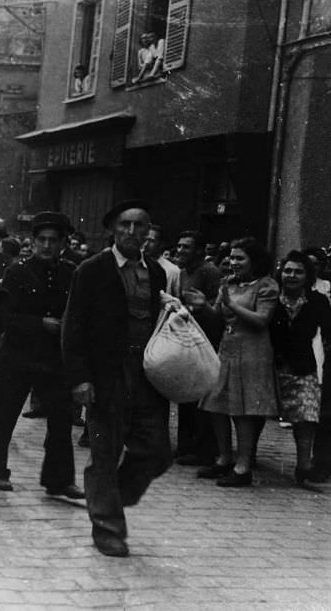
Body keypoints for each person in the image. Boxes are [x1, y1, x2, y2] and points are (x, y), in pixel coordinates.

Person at [62, 200, 173, 558]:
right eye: (125, 225)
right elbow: (73, 326)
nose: (132, 232)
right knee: (104, 454)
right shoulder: (92, 269)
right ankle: (108, 528)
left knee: (157, 450)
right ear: (113, 229)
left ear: (149, 232)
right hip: (106, 375)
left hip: (147, 374)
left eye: (140, 226)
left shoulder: (156, 272)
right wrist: (80, 378)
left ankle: (112, 496)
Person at [0, 212, 84, 499]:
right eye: (41, 240)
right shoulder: (17, 272)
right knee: (5, 416)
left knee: (60, 421)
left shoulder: (71, 272)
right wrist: (39, 323)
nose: (46, 246)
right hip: (18, 355)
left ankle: (59, 480)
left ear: (63, 243)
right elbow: (3, 314)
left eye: (53, 241)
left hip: (54, 360)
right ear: (33, 241)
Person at [190, 237, 279, 487]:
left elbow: (262, 320)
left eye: (240, 258)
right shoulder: (228, 283)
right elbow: (218, 316)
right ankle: (224, 459)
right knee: (216, 404)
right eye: (231, 257)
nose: (233, 262)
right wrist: (201, 306)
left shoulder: (266, 286)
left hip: (253, 353)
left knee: (242, 410)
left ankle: (243, 467)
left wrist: (231, 305)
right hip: (227, 349)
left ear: (255, 261)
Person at [270, 251, 331, 486]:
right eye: (288, 270)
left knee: (305, 416)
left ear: (307, 276)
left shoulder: (317, 301)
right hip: (272, 365)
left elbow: (328, 332)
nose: (292, 276)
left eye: (298, 271)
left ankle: (303, 465)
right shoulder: (271, 297)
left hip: (304, 367)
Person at [173, 230, 223, 466]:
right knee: (187, 394)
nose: (180, 250)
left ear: (200, 251)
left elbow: (217, 307)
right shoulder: (183, 272)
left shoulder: (210, 272)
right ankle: (185, 445)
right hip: (188, 339)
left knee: (202, 397)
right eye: (179, 246)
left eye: (186, 247)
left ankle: (203, 448)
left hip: (207, 341)